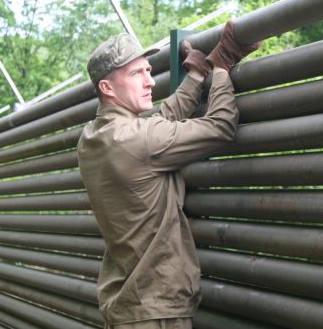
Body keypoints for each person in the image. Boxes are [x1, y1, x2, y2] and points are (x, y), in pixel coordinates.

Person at [77, 21, 260, 329]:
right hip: (156, 312)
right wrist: (221, 69)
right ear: (107, 88)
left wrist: (197, 74)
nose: (150, 82)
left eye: (149, 71)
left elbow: (159, 124)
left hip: (129, 306)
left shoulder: (92, 136)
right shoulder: (136, 139)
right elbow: (221, 125)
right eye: (136, 74)